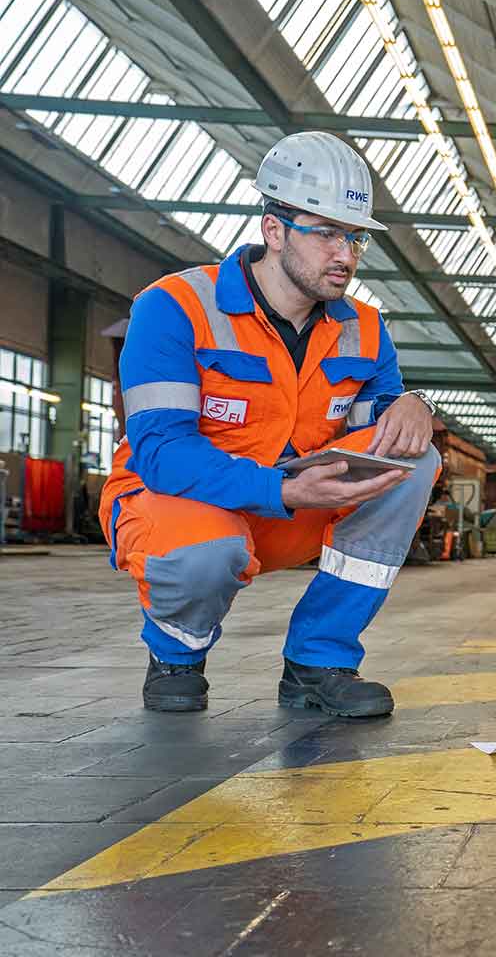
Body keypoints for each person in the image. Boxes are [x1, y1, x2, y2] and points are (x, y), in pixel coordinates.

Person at [99, 132, 441, 717]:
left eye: (355, 237)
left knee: (413, 459)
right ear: (274, 230)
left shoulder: (363, 327)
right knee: (205, 552)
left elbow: (380, 424)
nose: (345, 255)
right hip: (180, 502)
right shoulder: (177, 305)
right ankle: (177, 655)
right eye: (326, 232)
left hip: (294, 506)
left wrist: (415, 404)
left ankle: (319, 661)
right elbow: (161, 453)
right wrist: (281, 489)